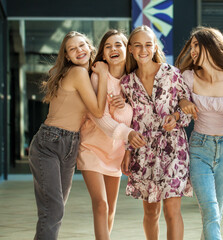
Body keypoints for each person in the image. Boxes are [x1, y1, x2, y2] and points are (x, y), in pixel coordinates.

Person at [28, 31, 108, 240]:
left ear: (89, 47)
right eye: (72, 49)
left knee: (55, 210)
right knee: (53, 210)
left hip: (70, 144)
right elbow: (98, 111)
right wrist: (105, 76)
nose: (78, 50)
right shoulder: (77, 73)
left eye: (81, 45)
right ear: (68, 56)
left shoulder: (87, 74)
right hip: (49, 143)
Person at [175, 27, 223, 240]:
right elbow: (178, 100)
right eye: (191, 46)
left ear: (212, 47)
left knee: (215, 214)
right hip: (199, 147)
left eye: (197, 46)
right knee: (210, 210)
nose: (192, 51)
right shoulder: (188, 77)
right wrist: (183, 102)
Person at [119, 25, 192, 240]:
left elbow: (188, 110)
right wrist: (128, 149)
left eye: (148, 45)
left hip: (174, 148)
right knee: (151, 213)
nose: (143, 50)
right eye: (138, 45)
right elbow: (126, 121)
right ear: (130, 49)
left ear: (155, 47)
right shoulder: (126, 84)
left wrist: (176, 118)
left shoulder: (172, 74)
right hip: (143, 152)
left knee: (172, 210)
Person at [76, 29, 138, 240]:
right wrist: (128, 133)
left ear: (127, 50)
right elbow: (99, 117)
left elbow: (137, 118)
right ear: (103, 53)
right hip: (91, 148)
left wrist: (125, 108)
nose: (113, 49)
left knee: (111, 209)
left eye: (118, 44)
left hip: (116, 152)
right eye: (108, 46)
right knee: (101, 205)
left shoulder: (133, 81)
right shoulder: (96, 77)